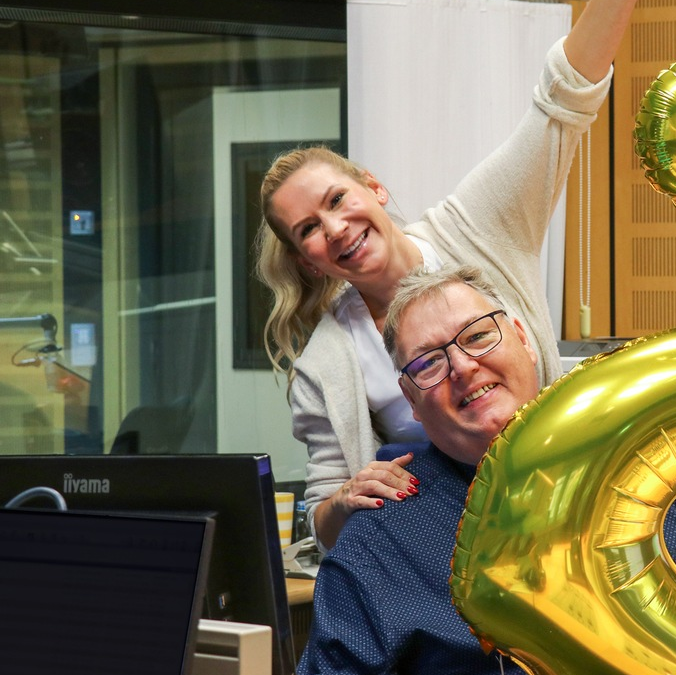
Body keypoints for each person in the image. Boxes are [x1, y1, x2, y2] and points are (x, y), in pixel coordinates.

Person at [297, 264, 676, 675]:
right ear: (410, 399)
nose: (464, 368)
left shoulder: (651, 443)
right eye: (429, 363)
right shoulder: (386, 530)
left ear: (521, 337)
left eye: (477, 336)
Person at [255, 0, 638, 550]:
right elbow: (326, 524)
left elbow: (562, 101)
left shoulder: (481, 225)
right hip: (448, 556)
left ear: (374, 188)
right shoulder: (326, 365)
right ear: (306, 261)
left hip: (574, 515)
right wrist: (345, 498)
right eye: (309, 229)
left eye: (339, 199)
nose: (336, 228)